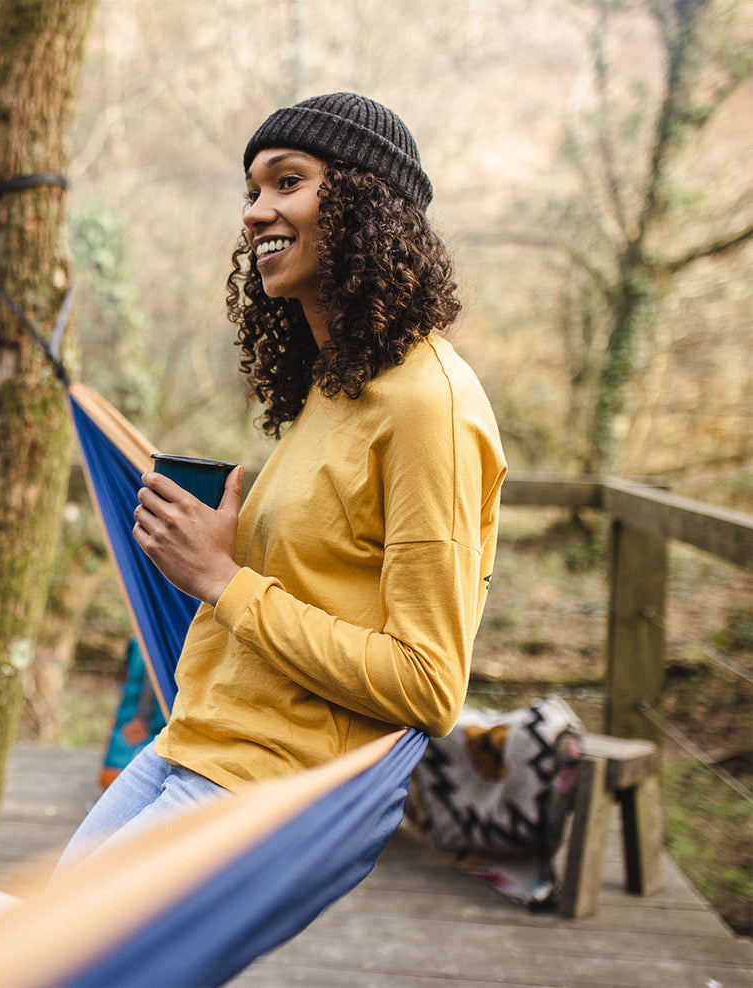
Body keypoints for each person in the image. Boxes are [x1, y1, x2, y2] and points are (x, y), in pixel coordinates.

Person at [57, 92, 506, 898]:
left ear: (366, 204)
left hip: (263, 786)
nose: (257, 211)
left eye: (286, 182)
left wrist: (221, 580)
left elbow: (428, 684)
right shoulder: (335, 388)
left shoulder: (428, 406)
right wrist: (208, 552)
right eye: (252, 192)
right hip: (193, 740)